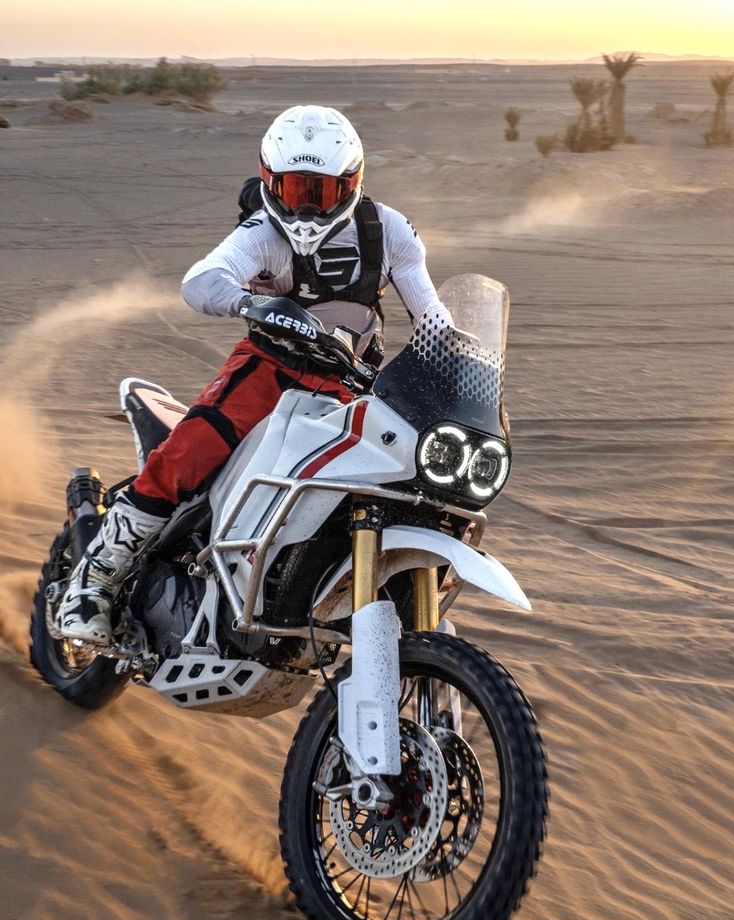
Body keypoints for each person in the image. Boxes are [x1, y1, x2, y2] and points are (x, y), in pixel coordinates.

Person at [58, 104, 453, 645]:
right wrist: (255, 304)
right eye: (295, 191)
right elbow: (201, 280)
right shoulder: (263, 232)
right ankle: (93, 582)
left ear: (352, 183)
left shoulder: (389, 232)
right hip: (269, 370)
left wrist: (455, 362)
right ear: (270, 183)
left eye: (323, 192)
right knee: (190, 452)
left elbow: (432, 316)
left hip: (351, 388)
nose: (308, 209)